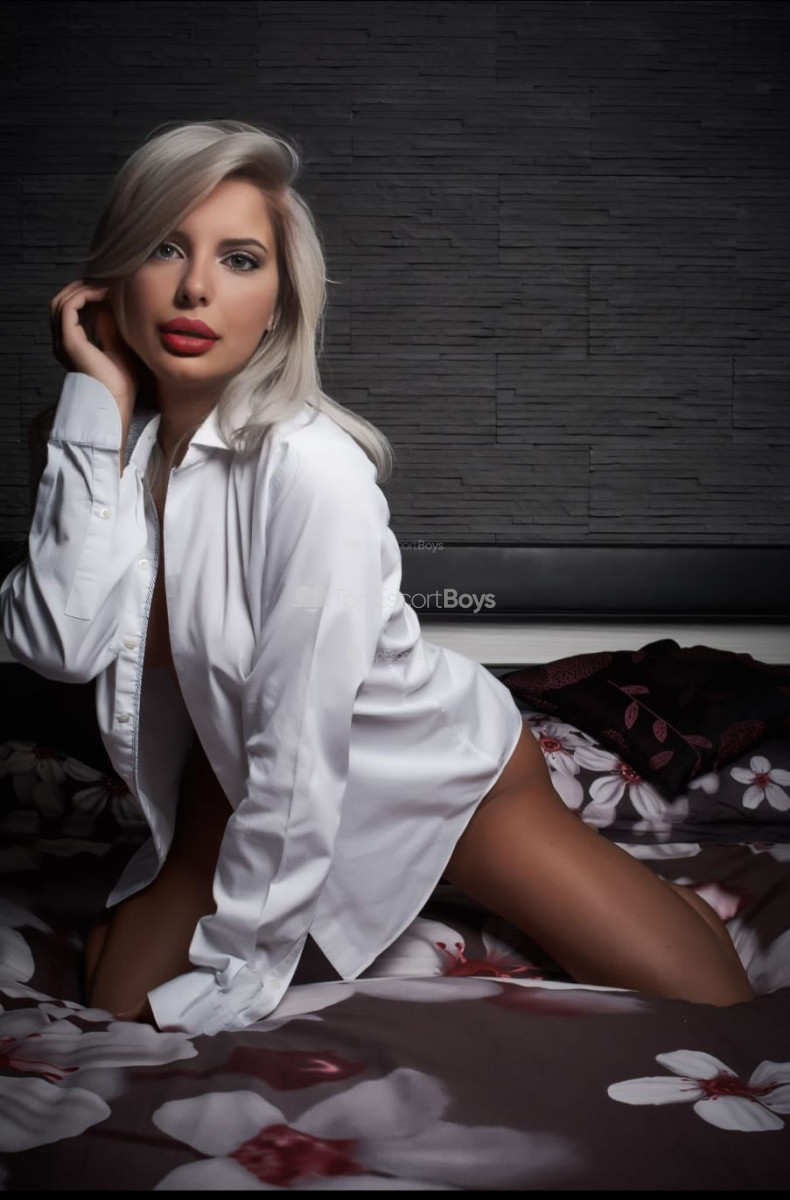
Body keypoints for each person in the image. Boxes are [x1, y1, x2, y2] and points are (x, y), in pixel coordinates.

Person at [0, 120, 754, 1036]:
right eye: (165, 247)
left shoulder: (314, 473)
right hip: (233, 761)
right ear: (115, 277)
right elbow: (56, 643)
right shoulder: (103, 442)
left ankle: (645, 892)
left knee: (711, 997)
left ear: (277, 305)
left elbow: (304, 751)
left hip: (419, 770)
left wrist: (241, 970)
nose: (196, 286)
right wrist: (95, 399)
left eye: (240, 259)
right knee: (119, 1006)